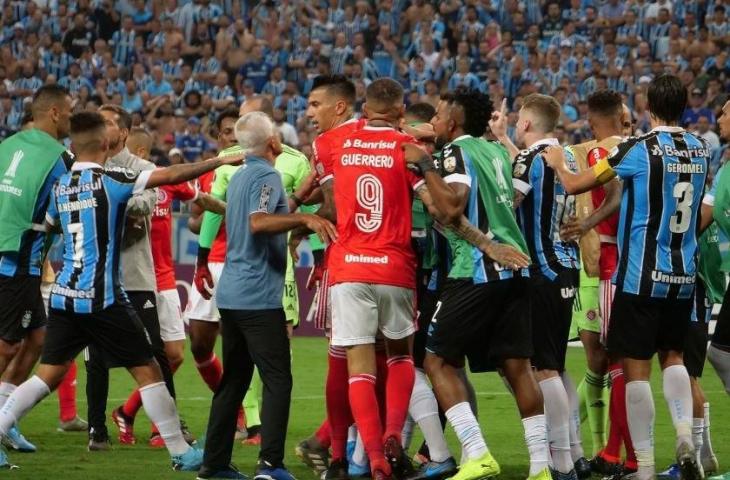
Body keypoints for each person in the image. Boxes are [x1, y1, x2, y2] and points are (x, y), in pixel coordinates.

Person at [0, 110, 244, 471]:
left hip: (66, 296)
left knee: (48, 374)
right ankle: (179, 451)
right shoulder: (114, 179)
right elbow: (172, 174)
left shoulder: (61, 186)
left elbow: (49, 226)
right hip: (103, 298)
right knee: (148, 370)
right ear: (104, 144)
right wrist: (217, 161)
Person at [543, 74, 709, 480]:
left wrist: (555, 162)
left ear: (649, 108)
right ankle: (684, 433)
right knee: (673, 357)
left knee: (635, 368)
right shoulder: (701, 148)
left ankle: (646, 467)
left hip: (639, 277)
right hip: (683, 276)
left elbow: (576, 182)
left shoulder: (639, 150)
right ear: (683, 106)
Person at [409, 87, 547, 480]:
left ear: (452, 121)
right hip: (517, 269)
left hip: (476, 271)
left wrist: (424, 168)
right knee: (519, 367)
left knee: (437, 360)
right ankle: (541, 468)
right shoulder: (496, 152)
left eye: (437, 115)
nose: (434, 121)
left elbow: (453, 207)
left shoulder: (453, 152)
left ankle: (477, 452)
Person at [196, 111, 336, 480]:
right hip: (258, 296)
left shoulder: (241, 175)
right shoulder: (268, 174)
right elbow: (260, 222)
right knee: (277, 379)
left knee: (235, 380)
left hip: (232, 295)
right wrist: (306, 219)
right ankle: (271, 465)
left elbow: (266, 212)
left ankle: (213, 465)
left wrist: (299, 198)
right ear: (273, 142)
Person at [109, 127, 226, 445]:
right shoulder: (116, 184)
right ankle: (161, 428)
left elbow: (200, 200)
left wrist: (232, 212)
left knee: (174, 355)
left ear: (141, 153)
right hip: (134, 280)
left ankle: (127, 411)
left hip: (164, 279)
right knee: (149, 356)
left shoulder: (162, 179)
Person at [85, 104, 185, 450]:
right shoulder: (86, 165)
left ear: (124, 132)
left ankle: (166, 429)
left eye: (110, 122)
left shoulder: (143, 168)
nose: (104, 127)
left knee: (155, 354)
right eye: (100, 121)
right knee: (95, 358)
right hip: (97, 277)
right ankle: (97, 431)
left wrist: (106, 205)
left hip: (135, 275)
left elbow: (146, 203)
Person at [559, 94, 637, 477]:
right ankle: (614, 451)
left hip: (610, 266)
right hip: (627, 266)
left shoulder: (602, 156)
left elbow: (613, 194)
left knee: (617, 362)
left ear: (591, 122)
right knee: (614, 360)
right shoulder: (635, 147)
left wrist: (587, 224)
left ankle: (619, 454)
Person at [0, 85, 74, 461]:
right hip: (18, 261)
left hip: (7, 252)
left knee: (37, 337)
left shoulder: (7, 145)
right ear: (56, 113)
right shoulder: (59, 158)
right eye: (70, 111)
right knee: (8, 344)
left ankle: (4, 417)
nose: (73, 119)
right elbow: (62, 212)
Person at [510, 93, 581, 480]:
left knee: (543, 368)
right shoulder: (567, 157)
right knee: (555, 365)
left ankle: (563, 463)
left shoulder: (528, 160)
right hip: (566, 267)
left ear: (525, 124)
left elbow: (509, 203)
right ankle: (570, 453)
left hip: (541, 272)